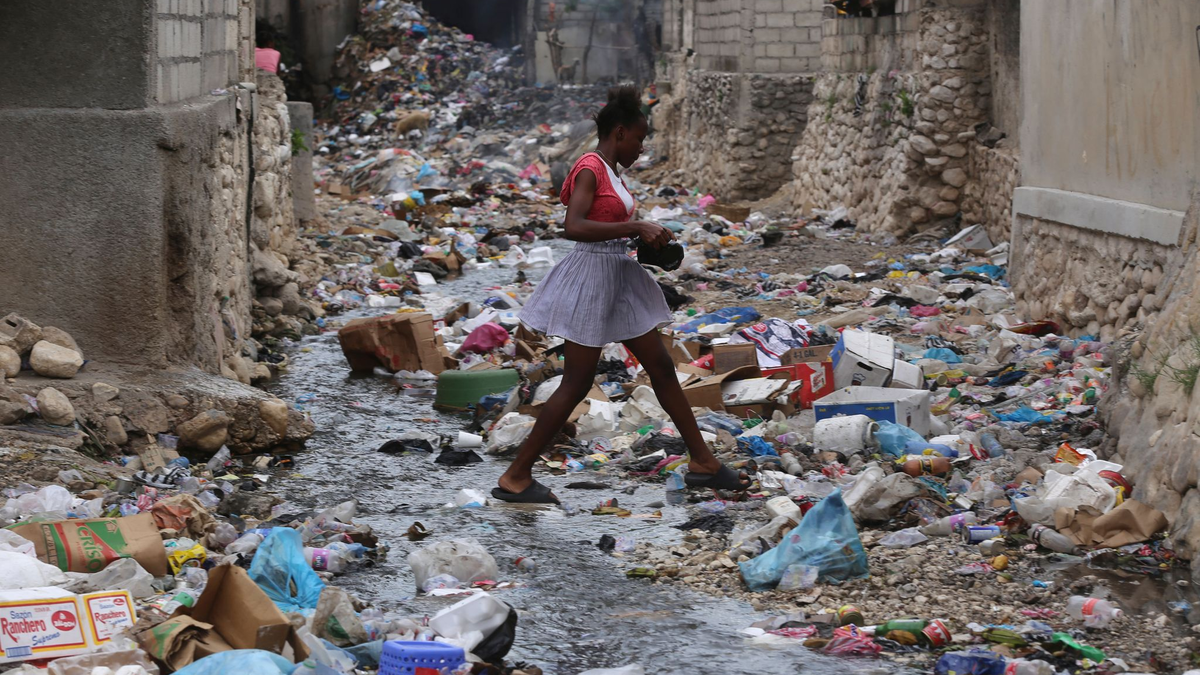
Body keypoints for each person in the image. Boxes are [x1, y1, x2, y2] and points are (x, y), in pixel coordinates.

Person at [492, 86, 752, 504]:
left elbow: (608, 223)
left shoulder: (613, 173)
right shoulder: (590, 168)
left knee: (663, 368)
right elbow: (573, 226)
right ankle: (516, 477)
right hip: (593, 278)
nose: (641, 147)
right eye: (639, 138)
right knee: (576, 384)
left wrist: (648, 239)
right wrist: (636, 227)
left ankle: (702, 460)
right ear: (618, 133)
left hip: (619, 276)